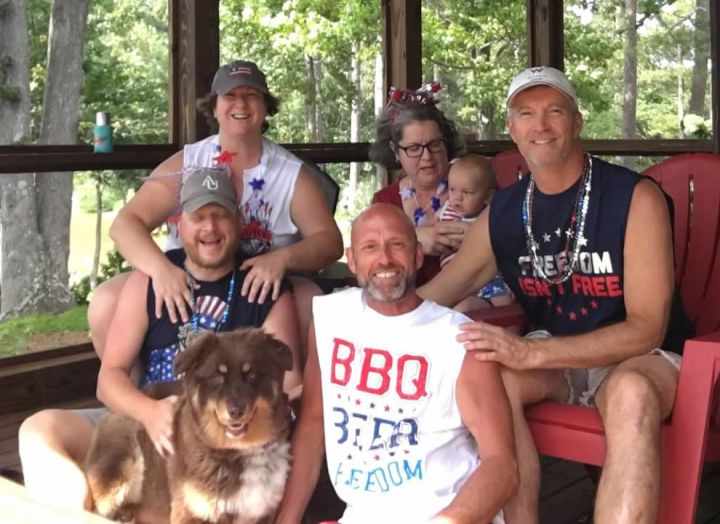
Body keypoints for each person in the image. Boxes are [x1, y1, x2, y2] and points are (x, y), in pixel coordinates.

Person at [419, 66, 693, 523]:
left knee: (631, 393)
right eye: (526, 114)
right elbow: (439, 294)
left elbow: (647, 329)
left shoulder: (633, 198)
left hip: (641, 359)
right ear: (511, 128)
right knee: (492, 379)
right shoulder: (504, 211)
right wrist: (368, 308)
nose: (540, 126)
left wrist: (531, 353)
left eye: (554, 112)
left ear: (577, 122)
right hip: (556, 358)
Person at [18, 166, 303, 514]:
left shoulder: (263, 288)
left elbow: (292, 386)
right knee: (37, 429)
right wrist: (150, 413)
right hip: (139, 422)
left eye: (220, 216)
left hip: (224, 440)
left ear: (238, 221)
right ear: (179, 223)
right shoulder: (149, 278)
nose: (210, 228)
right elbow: (109, 380)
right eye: (198, 217)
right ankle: (74, 511)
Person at [88, 59, 343, 364]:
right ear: (214, 105)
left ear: (266, 106)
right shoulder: (186, 163)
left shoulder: (291, 174)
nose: (241, 104)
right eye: (230, 96)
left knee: (309, 300)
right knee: (105, 301)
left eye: (251, 95)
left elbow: (330, 241)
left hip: (260, 289)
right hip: (188, 279)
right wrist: (161, 270)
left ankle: (288, 391)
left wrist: (282, 259)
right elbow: (125, 225)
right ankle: (135, 391)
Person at [276, 204, 517, 524]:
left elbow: (502, 466)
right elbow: (313, 425)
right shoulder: (330, 318)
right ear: (352, 260)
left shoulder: (458, 340)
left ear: (417, 256)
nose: (385, 259)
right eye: (370, 247)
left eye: (397, 244)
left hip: (444, 515)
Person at [369, 83, 468, 286]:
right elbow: (371, 258)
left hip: (470, 298)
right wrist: (412, 239)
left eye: (434, 144)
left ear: (446, 143)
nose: (427, 157)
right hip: (406, 302)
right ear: (395, 151)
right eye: (414, 148)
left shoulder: (473, 182)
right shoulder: (385, 201)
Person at [438, 153, 513, 311]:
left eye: (466, 192)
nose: (457, 198)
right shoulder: (446, 212)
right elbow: (433, 232)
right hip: (454, 280)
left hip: (488, 278)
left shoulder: (491, 216)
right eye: (452, 189)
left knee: (505, 306)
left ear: (488, 197)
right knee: (459, 309)